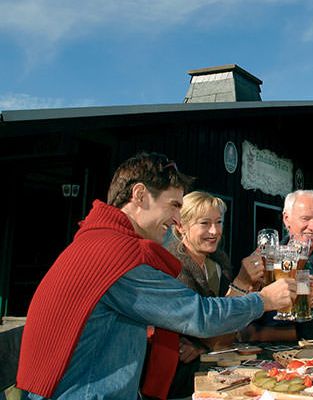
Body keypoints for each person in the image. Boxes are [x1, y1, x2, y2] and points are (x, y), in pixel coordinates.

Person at [16, 152, 295, 400]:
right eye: (174, 205)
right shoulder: (116, 255)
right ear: (139, 195)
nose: (177, 218)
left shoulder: (98, 241)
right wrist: (263, 300)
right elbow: (200, 316)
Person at [165, 191, 265, 398]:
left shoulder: (218, 263)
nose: (214, 231)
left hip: (215, 370)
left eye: (218, 222)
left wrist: (253, 289)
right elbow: (210, 326)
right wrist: (242, 283)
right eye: (204, 223)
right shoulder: (172, 266)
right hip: (178, 380)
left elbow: (226, 331)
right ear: (180, 226)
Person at [245, 190, 313, 341]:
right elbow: (247, 311)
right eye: (305, 218)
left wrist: (263, 334)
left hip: (308, 351)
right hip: (258, 353)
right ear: (287, 219)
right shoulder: (267, 257)